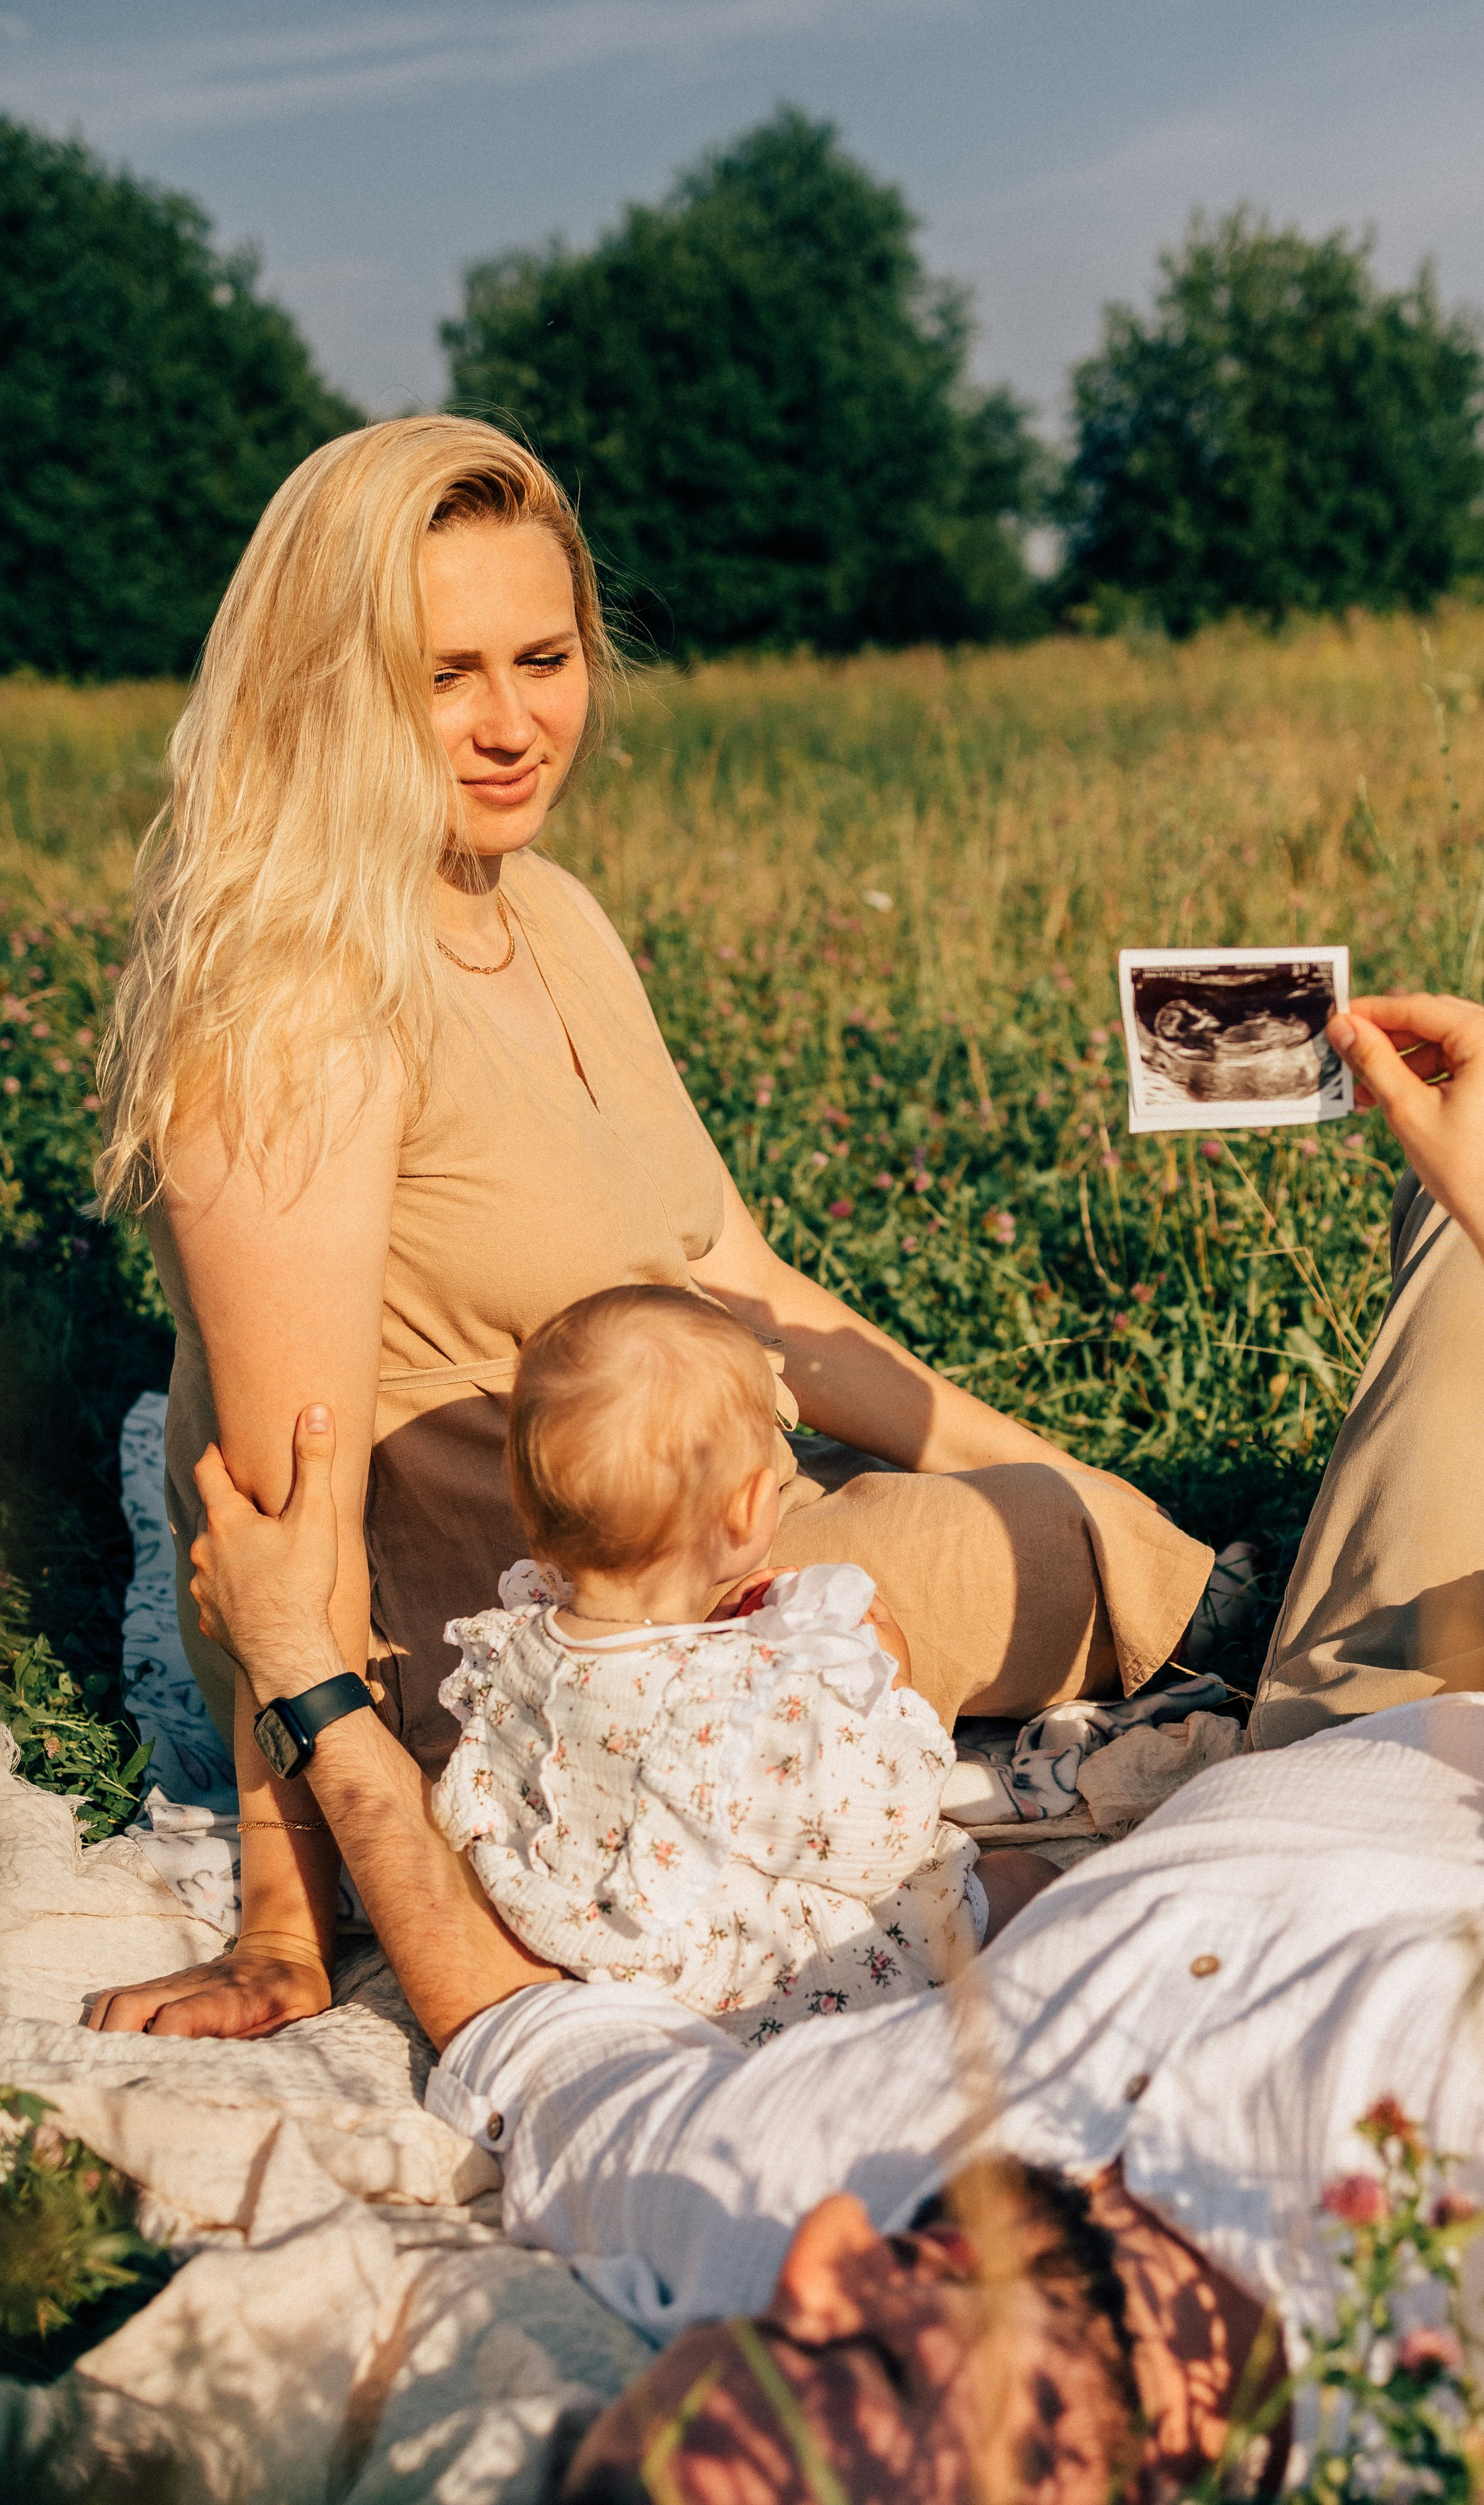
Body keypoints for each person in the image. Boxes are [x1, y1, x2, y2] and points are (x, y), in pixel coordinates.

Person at [106, 991, 1484, 2505]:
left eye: (763, 2326)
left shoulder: (773, 2203)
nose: (833, 2254)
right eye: (853, 2363)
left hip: (1340, 1713)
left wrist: (308, 1675)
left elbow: (513, 2031)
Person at [91, 414, 1215, 2041]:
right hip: (528, 1675)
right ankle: (1374, 1661)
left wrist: (1049, 1460)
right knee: (1044, 1561)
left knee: (1054, 1513)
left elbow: (738, 1278)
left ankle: (1308, 1615)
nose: (507, 724)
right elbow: (277, 1514)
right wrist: (285, 1917)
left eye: (540, 658)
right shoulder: (295, 1009)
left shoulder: (540, 907)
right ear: (332, 685)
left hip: (716, 1554)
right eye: (441, 675)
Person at [432, 1282, 1047, 2043]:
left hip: (603, 1954)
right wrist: (897, 1689)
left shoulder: (516, 1644)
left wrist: (704, 1635)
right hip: (755, 1992)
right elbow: (878, 1837)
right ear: (751, 1509)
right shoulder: (733, 1707)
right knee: (1016, 1887)